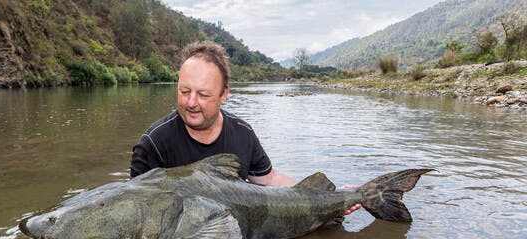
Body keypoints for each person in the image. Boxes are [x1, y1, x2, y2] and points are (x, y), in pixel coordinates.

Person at [130, 41, 360, 215]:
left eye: (203, 94)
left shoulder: (243, 133)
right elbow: (137, 209)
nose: (191, 102)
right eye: (184, 91)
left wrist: (331, 197)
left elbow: (269, 180)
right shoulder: (153, 144)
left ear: (224, 94)